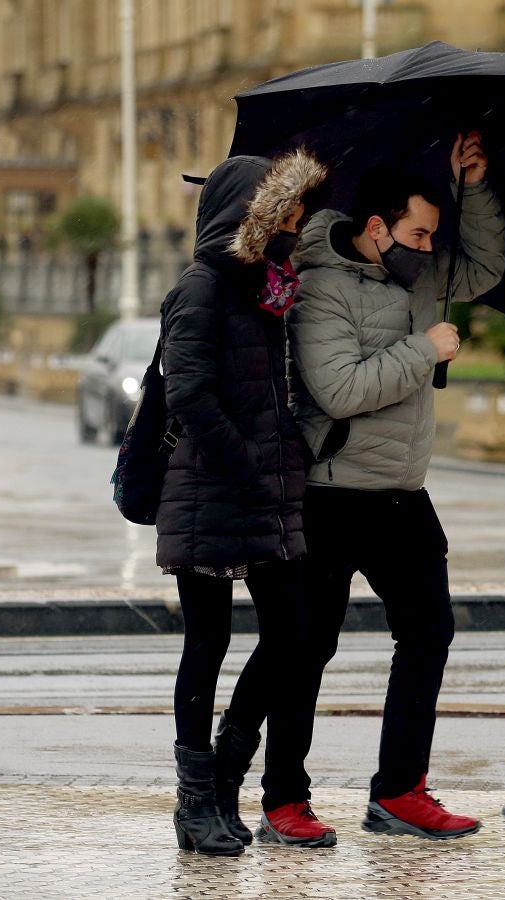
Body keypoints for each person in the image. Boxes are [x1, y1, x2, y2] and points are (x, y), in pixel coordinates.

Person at [286, 133, 505, 840]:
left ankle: (400, 790)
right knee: (306, 646)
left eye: (432, 235)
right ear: (375, 227)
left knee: (429, 632)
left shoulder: (421, 275)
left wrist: (473, 192)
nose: (426, 247)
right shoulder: (318, 286)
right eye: (417, 232)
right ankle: (284, 796)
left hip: (402, 494)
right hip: (331, 493)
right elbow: (339, 389)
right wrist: (424, 349)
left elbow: (486, 265)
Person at [158, 148, 338, 855]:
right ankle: (194, 799)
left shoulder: (269, 291)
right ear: (250, 217)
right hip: (211, 490)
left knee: (294, 634)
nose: (298, 225)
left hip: (269, 488)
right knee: (208, 643)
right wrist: (250, 465)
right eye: (287, 214)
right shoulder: (201, 288)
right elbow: (191, 395)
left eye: (298, 214)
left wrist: (294, 449)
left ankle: (229, 772)